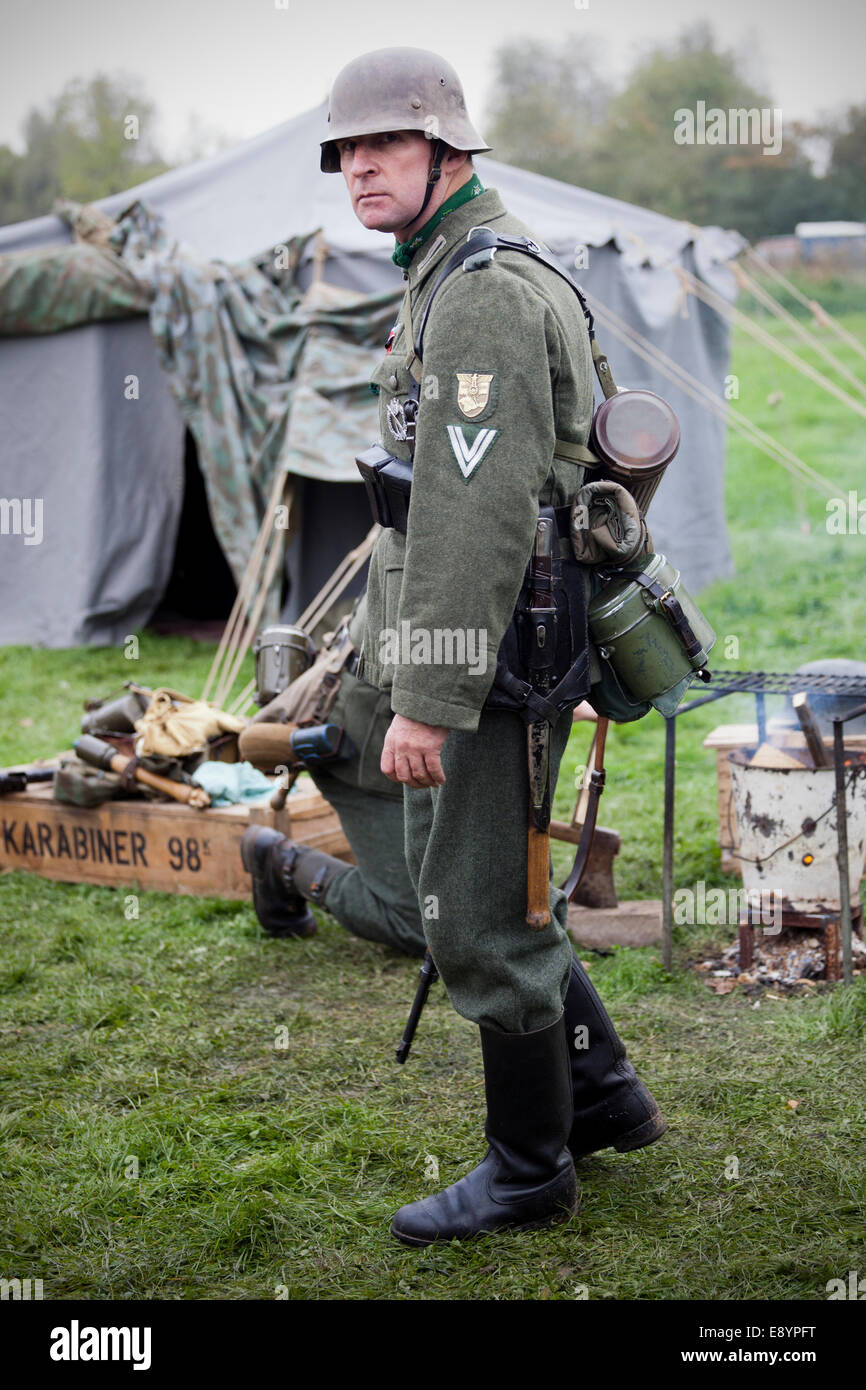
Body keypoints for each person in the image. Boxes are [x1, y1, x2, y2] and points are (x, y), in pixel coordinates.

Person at [276, 46, 665, 1247]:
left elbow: (476, 510)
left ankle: (526, 1170)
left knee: (474, 914)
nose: (358, 170)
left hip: (491, 647)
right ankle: (599, 1095)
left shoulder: (484, 285)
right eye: (346, 152)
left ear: (446, 150)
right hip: (491, 635)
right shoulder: (454, 267)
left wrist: (429, 698)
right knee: (500, 889)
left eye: (384, 147)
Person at [241, 595, 426, 958]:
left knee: (490, 908)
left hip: (418, 731)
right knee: (421, 925)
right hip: (366, 745)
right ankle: (280, 861)